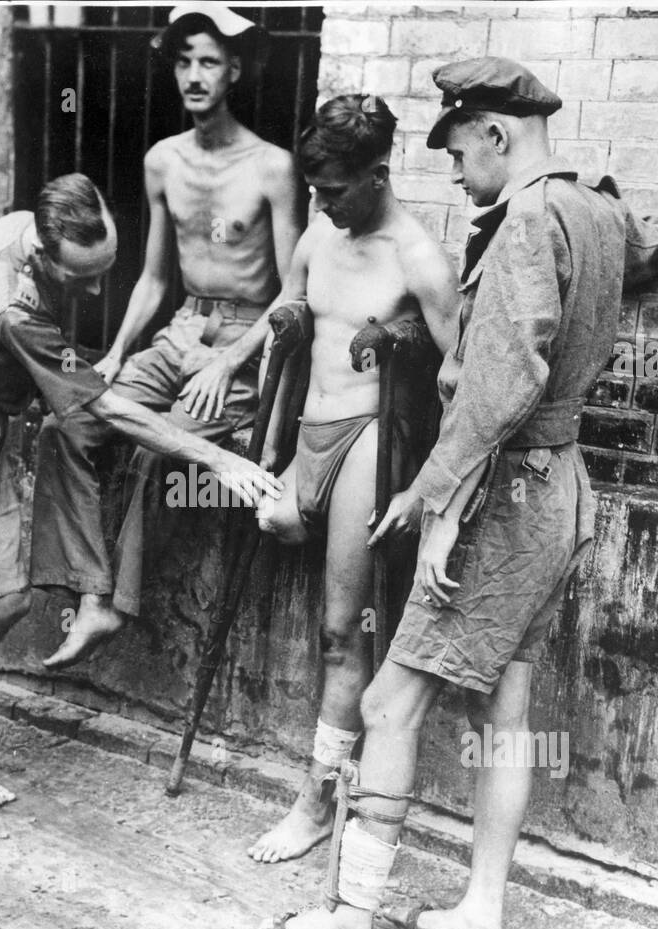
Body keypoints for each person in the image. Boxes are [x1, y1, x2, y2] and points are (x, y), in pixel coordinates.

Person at [256, 58, 658, 929]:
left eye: (459, 151)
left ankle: (349, 919)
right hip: (562, 487)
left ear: (497, 133)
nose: (454, 173)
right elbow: (653, 251)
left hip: (505, 489)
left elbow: (502, 383)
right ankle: (479, 918)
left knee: (387, 698)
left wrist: (437, 497)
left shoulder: (529, 220)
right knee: (509, 712)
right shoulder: (596, 210)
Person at [0, 173, 281, 809]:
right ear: (44, 251)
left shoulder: (34, 224)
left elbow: (80, 383)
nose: (97, 289)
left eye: (106, 270)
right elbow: (103, 410)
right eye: (84, 277)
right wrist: (212, 455)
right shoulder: (9, 300)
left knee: (7, 603)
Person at [30, 4, 302, 668]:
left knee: (157, 454)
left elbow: (295, 293)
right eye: (183, 62)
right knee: (68, 425)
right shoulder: (162, 161)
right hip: (180, 329)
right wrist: (119, 353)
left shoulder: (273, 167)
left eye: (209, 61)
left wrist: (232, 359)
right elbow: (153, 277)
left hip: (242, 341)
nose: (194, 75)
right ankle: (87, 588)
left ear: (234, 69)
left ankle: (110, 609)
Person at [245, 94, 458, 864]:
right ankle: (329, 780)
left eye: (334, 189)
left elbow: (460, 378)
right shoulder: (317, 235)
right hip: (307, 430)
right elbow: (286, 320)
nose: (321, 203)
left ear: (377, 173)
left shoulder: (418, 256)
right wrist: (284, 332)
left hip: (372, 438)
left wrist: (404, 337)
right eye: (313, 188)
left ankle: (314, 800)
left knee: (344, 629)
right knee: (278, 531)